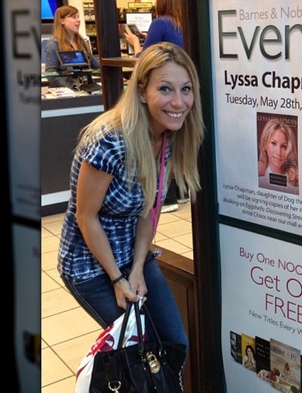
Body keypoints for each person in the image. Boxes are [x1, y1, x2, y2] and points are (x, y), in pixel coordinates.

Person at [57, 42, 204, 353]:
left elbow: (148, 212)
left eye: (186, 89)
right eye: (165, 89)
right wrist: (117, 279)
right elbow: (86, 216)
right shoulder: (111, 140)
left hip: (131, 254)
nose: (179, 101)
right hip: (90, 267)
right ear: (141, 92)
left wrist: (137, 267)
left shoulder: (169, 136)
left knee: (175, 343)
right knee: (141, 352)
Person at [125, 0, 185, 212]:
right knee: (178, 143)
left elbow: (146, 61)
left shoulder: (160, 24)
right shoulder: (186, 24)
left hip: (164, 92)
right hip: (185, 89)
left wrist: (135, 44)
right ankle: (181, 191)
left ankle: (166, 198)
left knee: (159, 143)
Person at [44, 5, 99, 89]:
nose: (78, 20)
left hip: (87, 91)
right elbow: (51, 74)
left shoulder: (81, 42)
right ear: (62, 21)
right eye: (74, 17)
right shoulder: (53, 44)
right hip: (68, 96)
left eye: (78, 17)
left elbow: (96, 65)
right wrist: (69, 90)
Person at [258, 118, 299, 193]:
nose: (278, 152)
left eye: (284, 146)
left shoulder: (296, 184)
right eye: (273, 143)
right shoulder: (260, 181)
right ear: (265, 145)